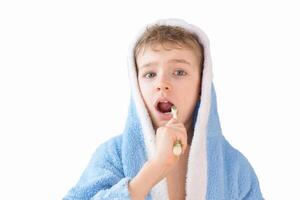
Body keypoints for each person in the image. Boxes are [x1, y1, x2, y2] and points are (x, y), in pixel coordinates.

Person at [63, 18, 263, 200]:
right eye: (150, 74)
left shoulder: (235, 168)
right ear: (137, 86)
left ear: (202, 85)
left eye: (179, 72)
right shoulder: (114, 155)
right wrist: (156, 168)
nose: (162, 83)